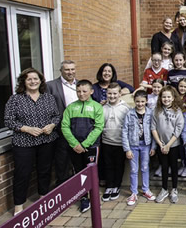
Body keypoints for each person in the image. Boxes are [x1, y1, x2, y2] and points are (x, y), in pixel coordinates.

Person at [5, 68, 60, 215]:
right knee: (22, 173)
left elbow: (56, 116)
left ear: (41, 81)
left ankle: (43, 198)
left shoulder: (48, 98)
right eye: (29, 79)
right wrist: (26, 129)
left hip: (47, 140)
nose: (33, 81)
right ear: (23, 81)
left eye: (35, 79)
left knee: (45, 171)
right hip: (24, 143)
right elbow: (8, 121)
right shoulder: (15, 99)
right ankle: (19, 206)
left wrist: (52, 125)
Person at [61, 79, 104, 213]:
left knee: (91, 172)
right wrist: (75, 144)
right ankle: (83, 197)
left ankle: (94, 197)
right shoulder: (71, 107)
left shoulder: (97, 107)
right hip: (75, 148)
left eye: (84, 91)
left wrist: (85, 144)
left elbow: (98, 128)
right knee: (78, 172)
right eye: (78, 91)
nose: (81, 94)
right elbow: (64, 126)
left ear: (91, 91)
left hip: (91, 147)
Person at [122, 90, 157, 206]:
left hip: (146, 145)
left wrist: (153, 146)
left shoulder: (151, 113)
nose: (140, 104)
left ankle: (146, 189)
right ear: (134, 101)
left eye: (142, 101)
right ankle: (133, 192)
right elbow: (124, 131)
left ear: (146, 101)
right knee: (133, 169)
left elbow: (154, 131)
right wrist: (127, 149)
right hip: (133, 145)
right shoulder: (129, 114)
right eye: (137, 101)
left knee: (145, 167)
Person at [46, 60, 77, 186]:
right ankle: (64, 189)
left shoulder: (80, 85)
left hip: (78, 128)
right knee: (62, 161)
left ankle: (79, 187)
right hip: (60, 129)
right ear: (61, 71)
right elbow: (46, 107)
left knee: (77, 160)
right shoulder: (51, 85)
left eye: (72, 69)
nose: (70, 72)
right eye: (67, 69)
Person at [151, 85, 184, 203]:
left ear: (173, 98)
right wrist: (160, 144)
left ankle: (174, 189)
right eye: (164, 97)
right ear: (160, 98)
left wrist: (169, 145)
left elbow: (178, 130)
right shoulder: (156, 111)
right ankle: (164, 189)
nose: (166, 99)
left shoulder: (178, 111)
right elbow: (153, 128)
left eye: (168, 97)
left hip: (173, 145)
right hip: (161, 145)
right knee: (164, 167)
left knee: (173, 167)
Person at [101, 83, 131, 202]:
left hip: (120, 142)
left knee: (119, 165)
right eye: (110, 93)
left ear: (120, 94)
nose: (112, 96)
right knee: (108, 165)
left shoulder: (126, 108)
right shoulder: (103, 108)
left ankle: (116, 186)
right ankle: (109, 186)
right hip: (107, 141)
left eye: (115, 93)